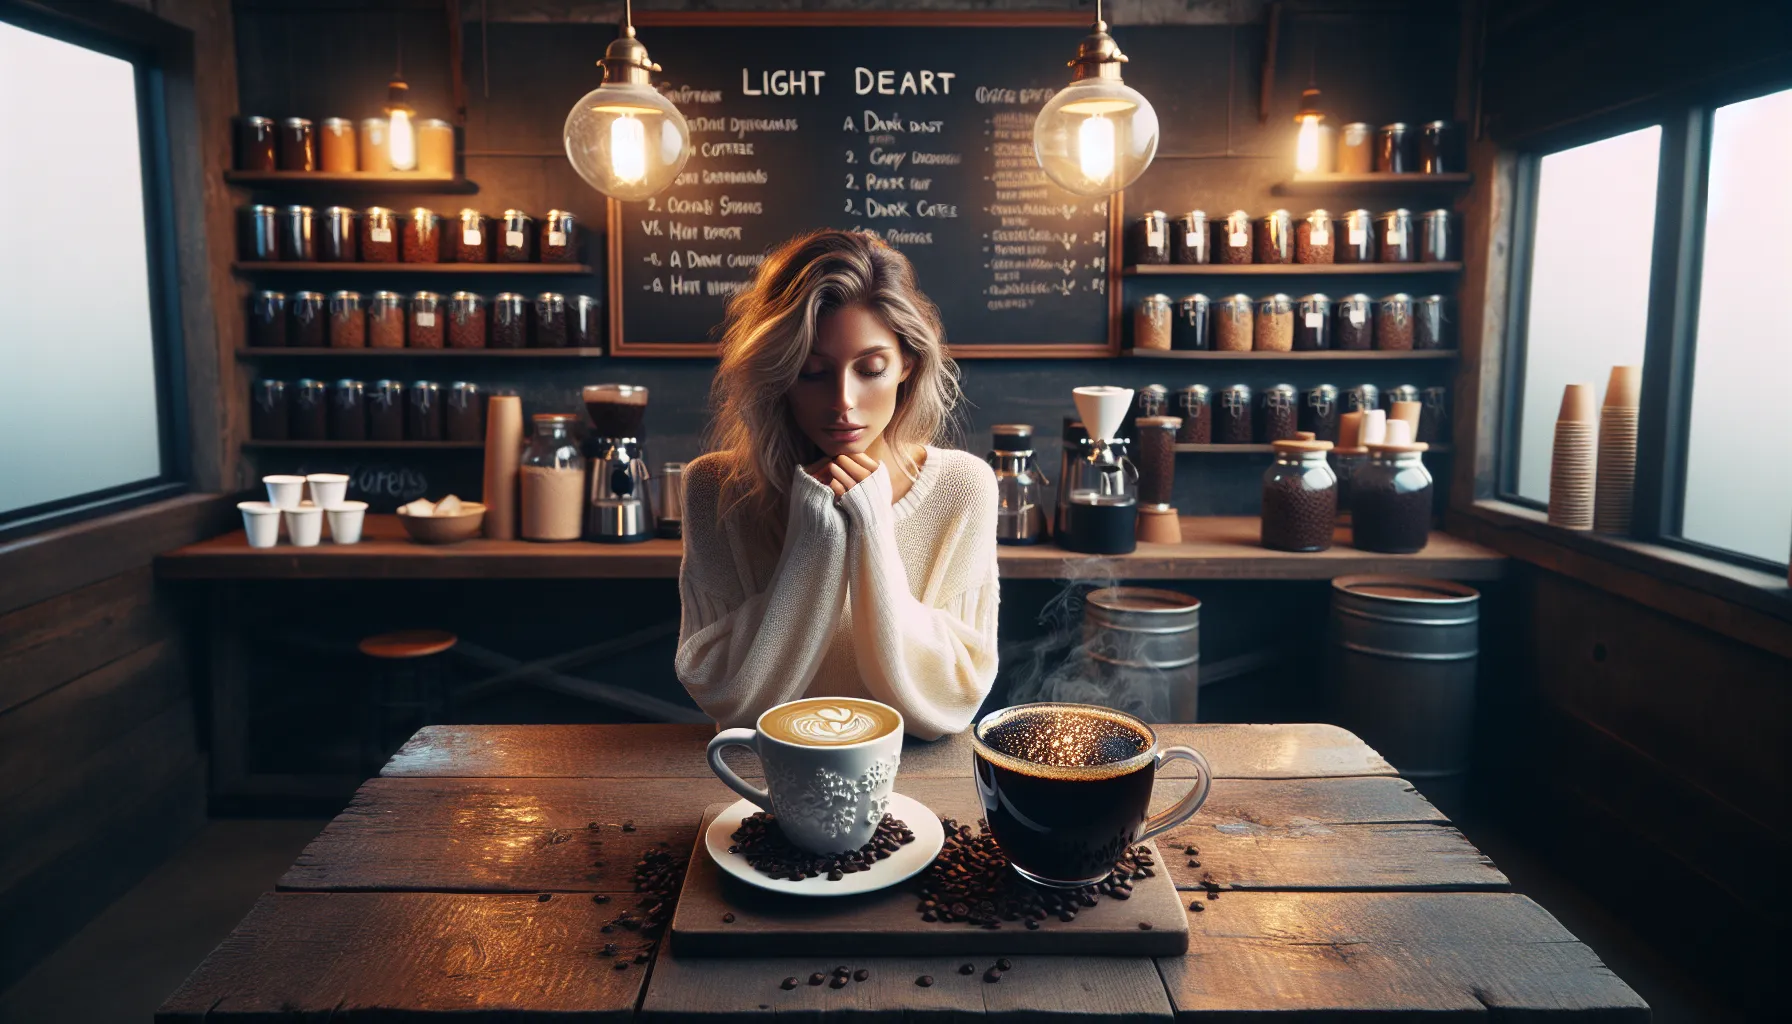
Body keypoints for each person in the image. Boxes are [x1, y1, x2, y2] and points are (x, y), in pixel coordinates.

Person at [675, 230, 999, 740]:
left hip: (920, 776)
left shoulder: (963, 488)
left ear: (907, 365)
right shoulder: (714, 488)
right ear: (779, 374)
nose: (843, 401)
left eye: (870, 369)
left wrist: (870, 530)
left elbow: (950, 702)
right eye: (811, 372)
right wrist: (814, 540)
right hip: (757, 775)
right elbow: (727, 698)